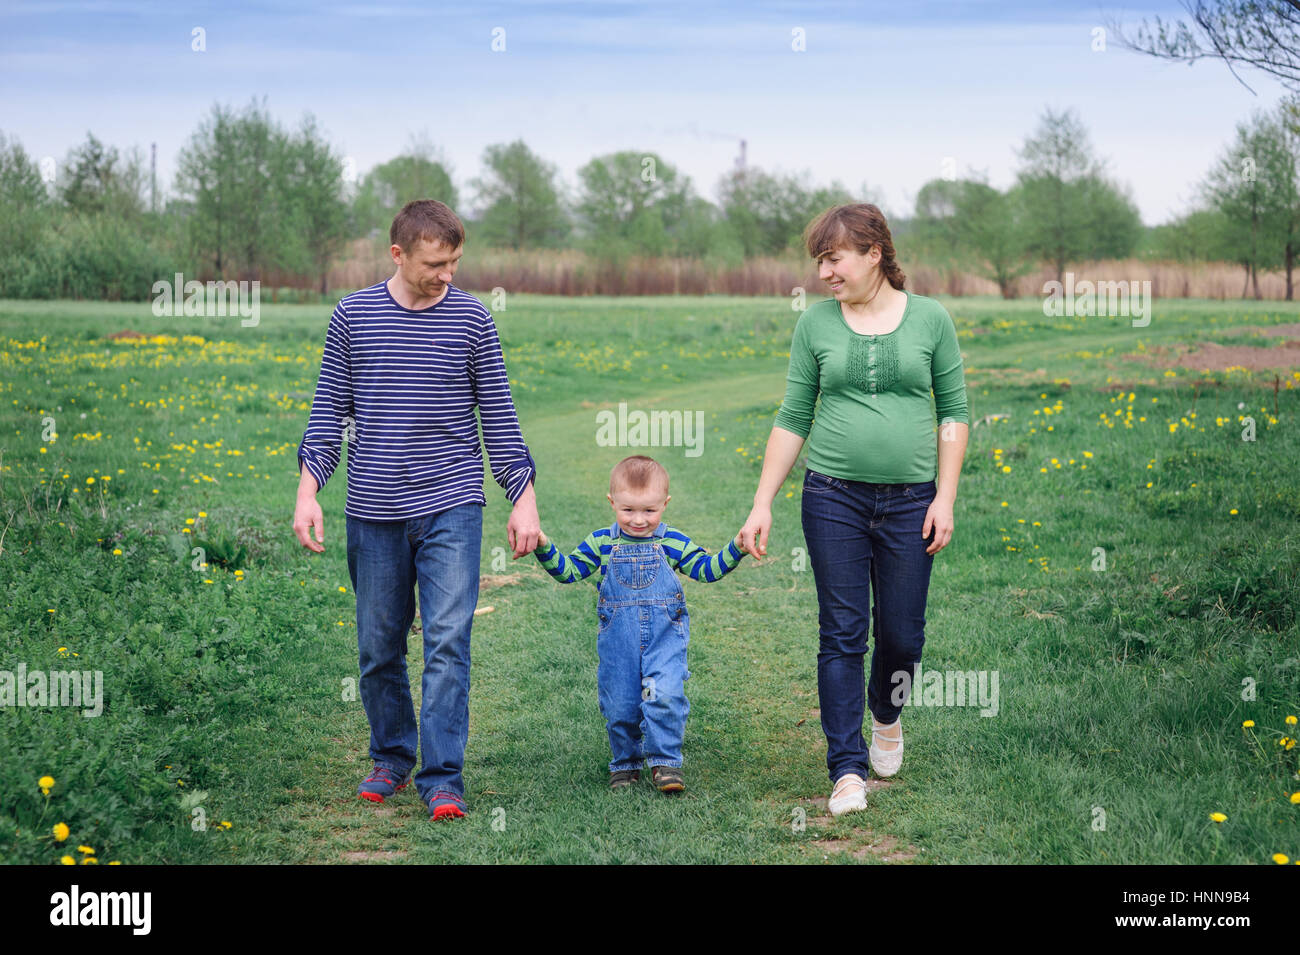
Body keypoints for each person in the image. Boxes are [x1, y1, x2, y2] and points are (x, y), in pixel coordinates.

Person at [293, 199, 541, 822]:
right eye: (435, 263)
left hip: (451, 505)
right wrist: (307, 491)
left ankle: (442, 777)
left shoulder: (472, 320)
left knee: (448, 641)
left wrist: (524, 500)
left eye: (455, 262)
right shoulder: (354, 316)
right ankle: (392, 755)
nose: (447, 275)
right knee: (378, 646)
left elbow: (500, 420)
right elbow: (328, 412)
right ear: (398, 254)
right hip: (373, 509)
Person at [738, 203, 970, 817]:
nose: (825, 272)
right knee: (841, 631)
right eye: (819, 261)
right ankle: (845, 769)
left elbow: (953, 412)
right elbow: (793, 416)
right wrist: (763, 502)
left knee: (902, 634)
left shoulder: (931, 319)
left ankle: (886, 716)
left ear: (874, 253)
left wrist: (944, 496)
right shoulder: (815, 325)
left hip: (912, 500)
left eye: (833, 258)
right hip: (833, 495)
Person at [533, 455, 746, 792]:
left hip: (664, 641)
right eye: (628, 510)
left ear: (665, 503)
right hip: (619, 644)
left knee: (663, 696)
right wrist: (543, 546)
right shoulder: (602, 543)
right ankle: (626, 763)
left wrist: (737, 547)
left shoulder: (672, 542)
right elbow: (568, 571)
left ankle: (664, 762)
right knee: (621, 703)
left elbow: (707, 569)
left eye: (650, 510)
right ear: (612, 502)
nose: (638, 520)